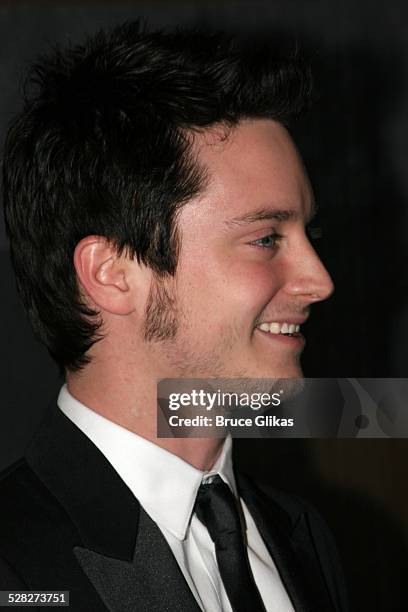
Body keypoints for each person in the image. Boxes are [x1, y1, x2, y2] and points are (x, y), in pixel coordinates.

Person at [0, 22, 347, 611]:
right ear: (112, 273)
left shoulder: (304, 535)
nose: (319, 280)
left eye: (307, 234)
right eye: (266, 238)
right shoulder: (15, 566)